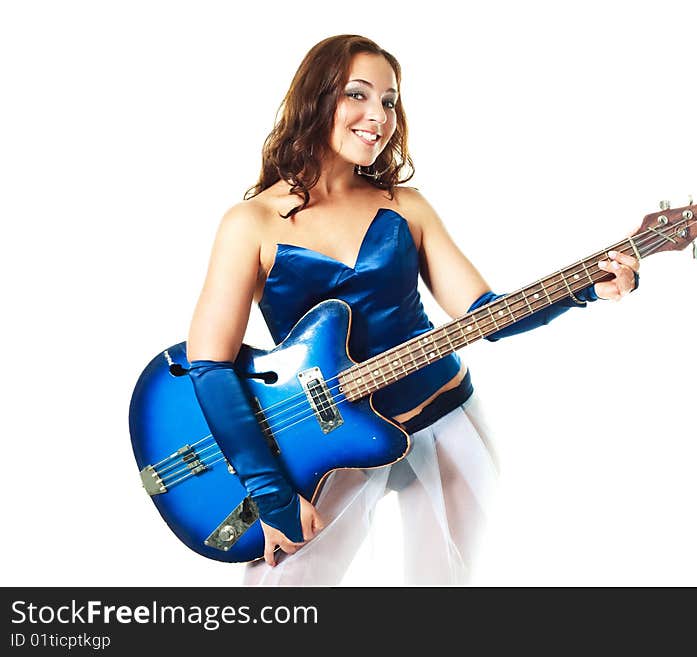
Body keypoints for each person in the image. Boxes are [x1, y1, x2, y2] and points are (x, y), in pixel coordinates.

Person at [185, 35, 639, 586]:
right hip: (328, 444)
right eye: (359, 95)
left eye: (390, 101)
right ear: (315, 98)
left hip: (445, 420)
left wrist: (587, 288)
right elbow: (209, 366)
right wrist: (270, 491)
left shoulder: (407, 206)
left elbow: (484, 314)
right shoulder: (250, 223)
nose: (378, 116)